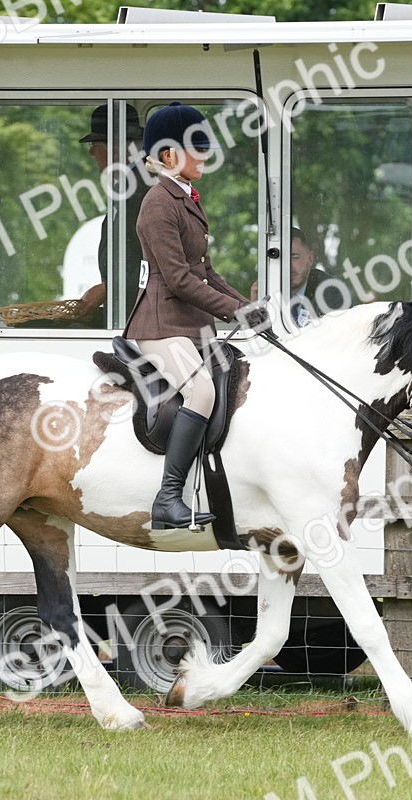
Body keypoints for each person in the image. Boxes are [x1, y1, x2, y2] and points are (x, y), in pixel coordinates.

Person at [124, 102, 270, 530]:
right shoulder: (158, 204)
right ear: (169, 155)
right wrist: (234, 313)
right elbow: (179, 281)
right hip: (161, 326)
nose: (205, 156)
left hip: (187, 326)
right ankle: (168, 499)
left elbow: (206, 271)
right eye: (197, 148)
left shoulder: (183, 198)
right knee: (202, 392)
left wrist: (246, 307)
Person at [77, 103, 149, 321]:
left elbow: (156, 259)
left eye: (94, 144)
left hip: (143, 317)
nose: (91, 152)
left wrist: (109, 288)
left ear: (115, 146)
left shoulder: (146, 186)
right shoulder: (130, 183)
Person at [252, 228, 354, 326]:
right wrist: (254, 312)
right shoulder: (268, 293)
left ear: (310, 259)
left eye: (294, 257)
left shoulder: (332, 293)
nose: (287, 266)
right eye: (281, 259)